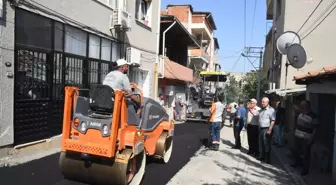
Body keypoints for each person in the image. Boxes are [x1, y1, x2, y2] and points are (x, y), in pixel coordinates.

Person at [291, 100, 318, 176]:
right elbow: (295, 109)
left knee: (306, 154)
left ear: (308, 106)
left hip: (306, 138)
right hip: (298, 136)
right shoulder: (301, 114)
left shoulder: (313, 116)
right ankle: (297, 163)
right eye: (301, 105)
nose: (301, 106)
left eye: (303, 105)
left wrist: (311, 138)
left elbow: (315, 129)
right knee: (296, 151)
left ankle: (305, 170)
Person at [257, 97, 276, 164]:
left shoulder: (271, 110)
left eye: (263, 102)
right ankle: (262, 156)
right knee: (261, 143)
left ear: (267, 102)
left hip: (267, 129)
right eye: (262, 102)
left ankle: (267, 159)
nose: (262, 103)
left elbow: (273, 120)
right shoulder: (262, 110)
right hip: (261, 129)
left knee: (266, 144)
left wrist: (270, 129)